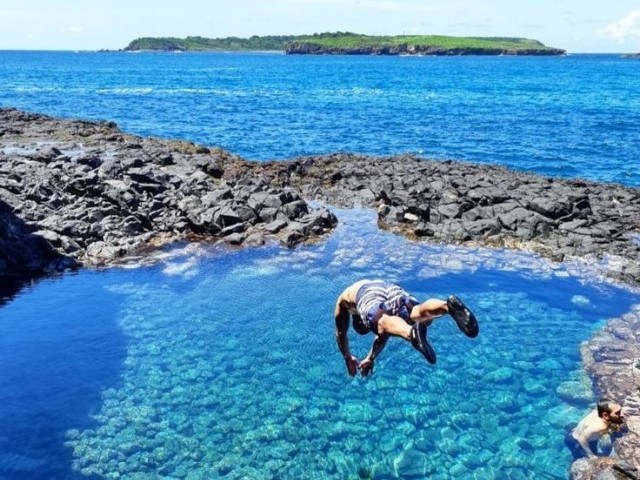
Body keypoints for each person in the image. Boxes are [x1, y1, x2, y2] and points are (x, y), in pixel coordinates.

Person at [333, 279, 479, 377]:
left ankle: (412, 333)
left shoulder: (345, 302)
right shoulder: (353, 293)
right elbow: (383, 334)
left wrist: (347, 357)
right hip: (391, 287)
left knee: (381, 323)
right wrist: (370, 358)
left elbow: (340, 333)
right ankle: (447, 306)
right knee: (416, 312)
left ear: (359, 320)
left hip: (367, 293)